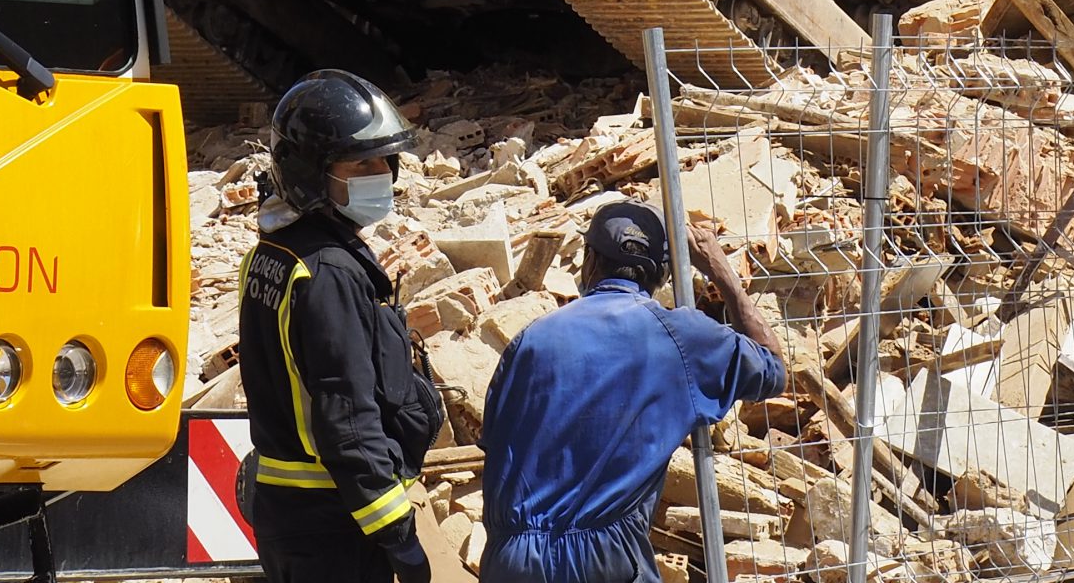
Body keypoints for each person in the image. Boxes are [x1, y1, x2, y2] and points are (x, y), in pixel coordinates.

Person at [480, 200, 787, 583]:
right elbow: (773, 369)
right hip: (603, 558)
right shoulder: (682, 337)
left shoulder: (531, 339)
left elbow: (492, 443)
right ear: (660, 275)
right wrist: (720, 272)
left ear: (589, 260)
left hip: (512, 557)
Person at [240, 70, 443, 583]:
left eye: (385, 161)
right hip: (333, 522)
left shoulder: (275, 253)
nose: (383, 174)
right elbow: (345, 415)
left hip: (293, 514)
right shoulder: (328, 271)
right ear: (312, 172)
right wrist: (395, 531)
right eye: (362, 163)